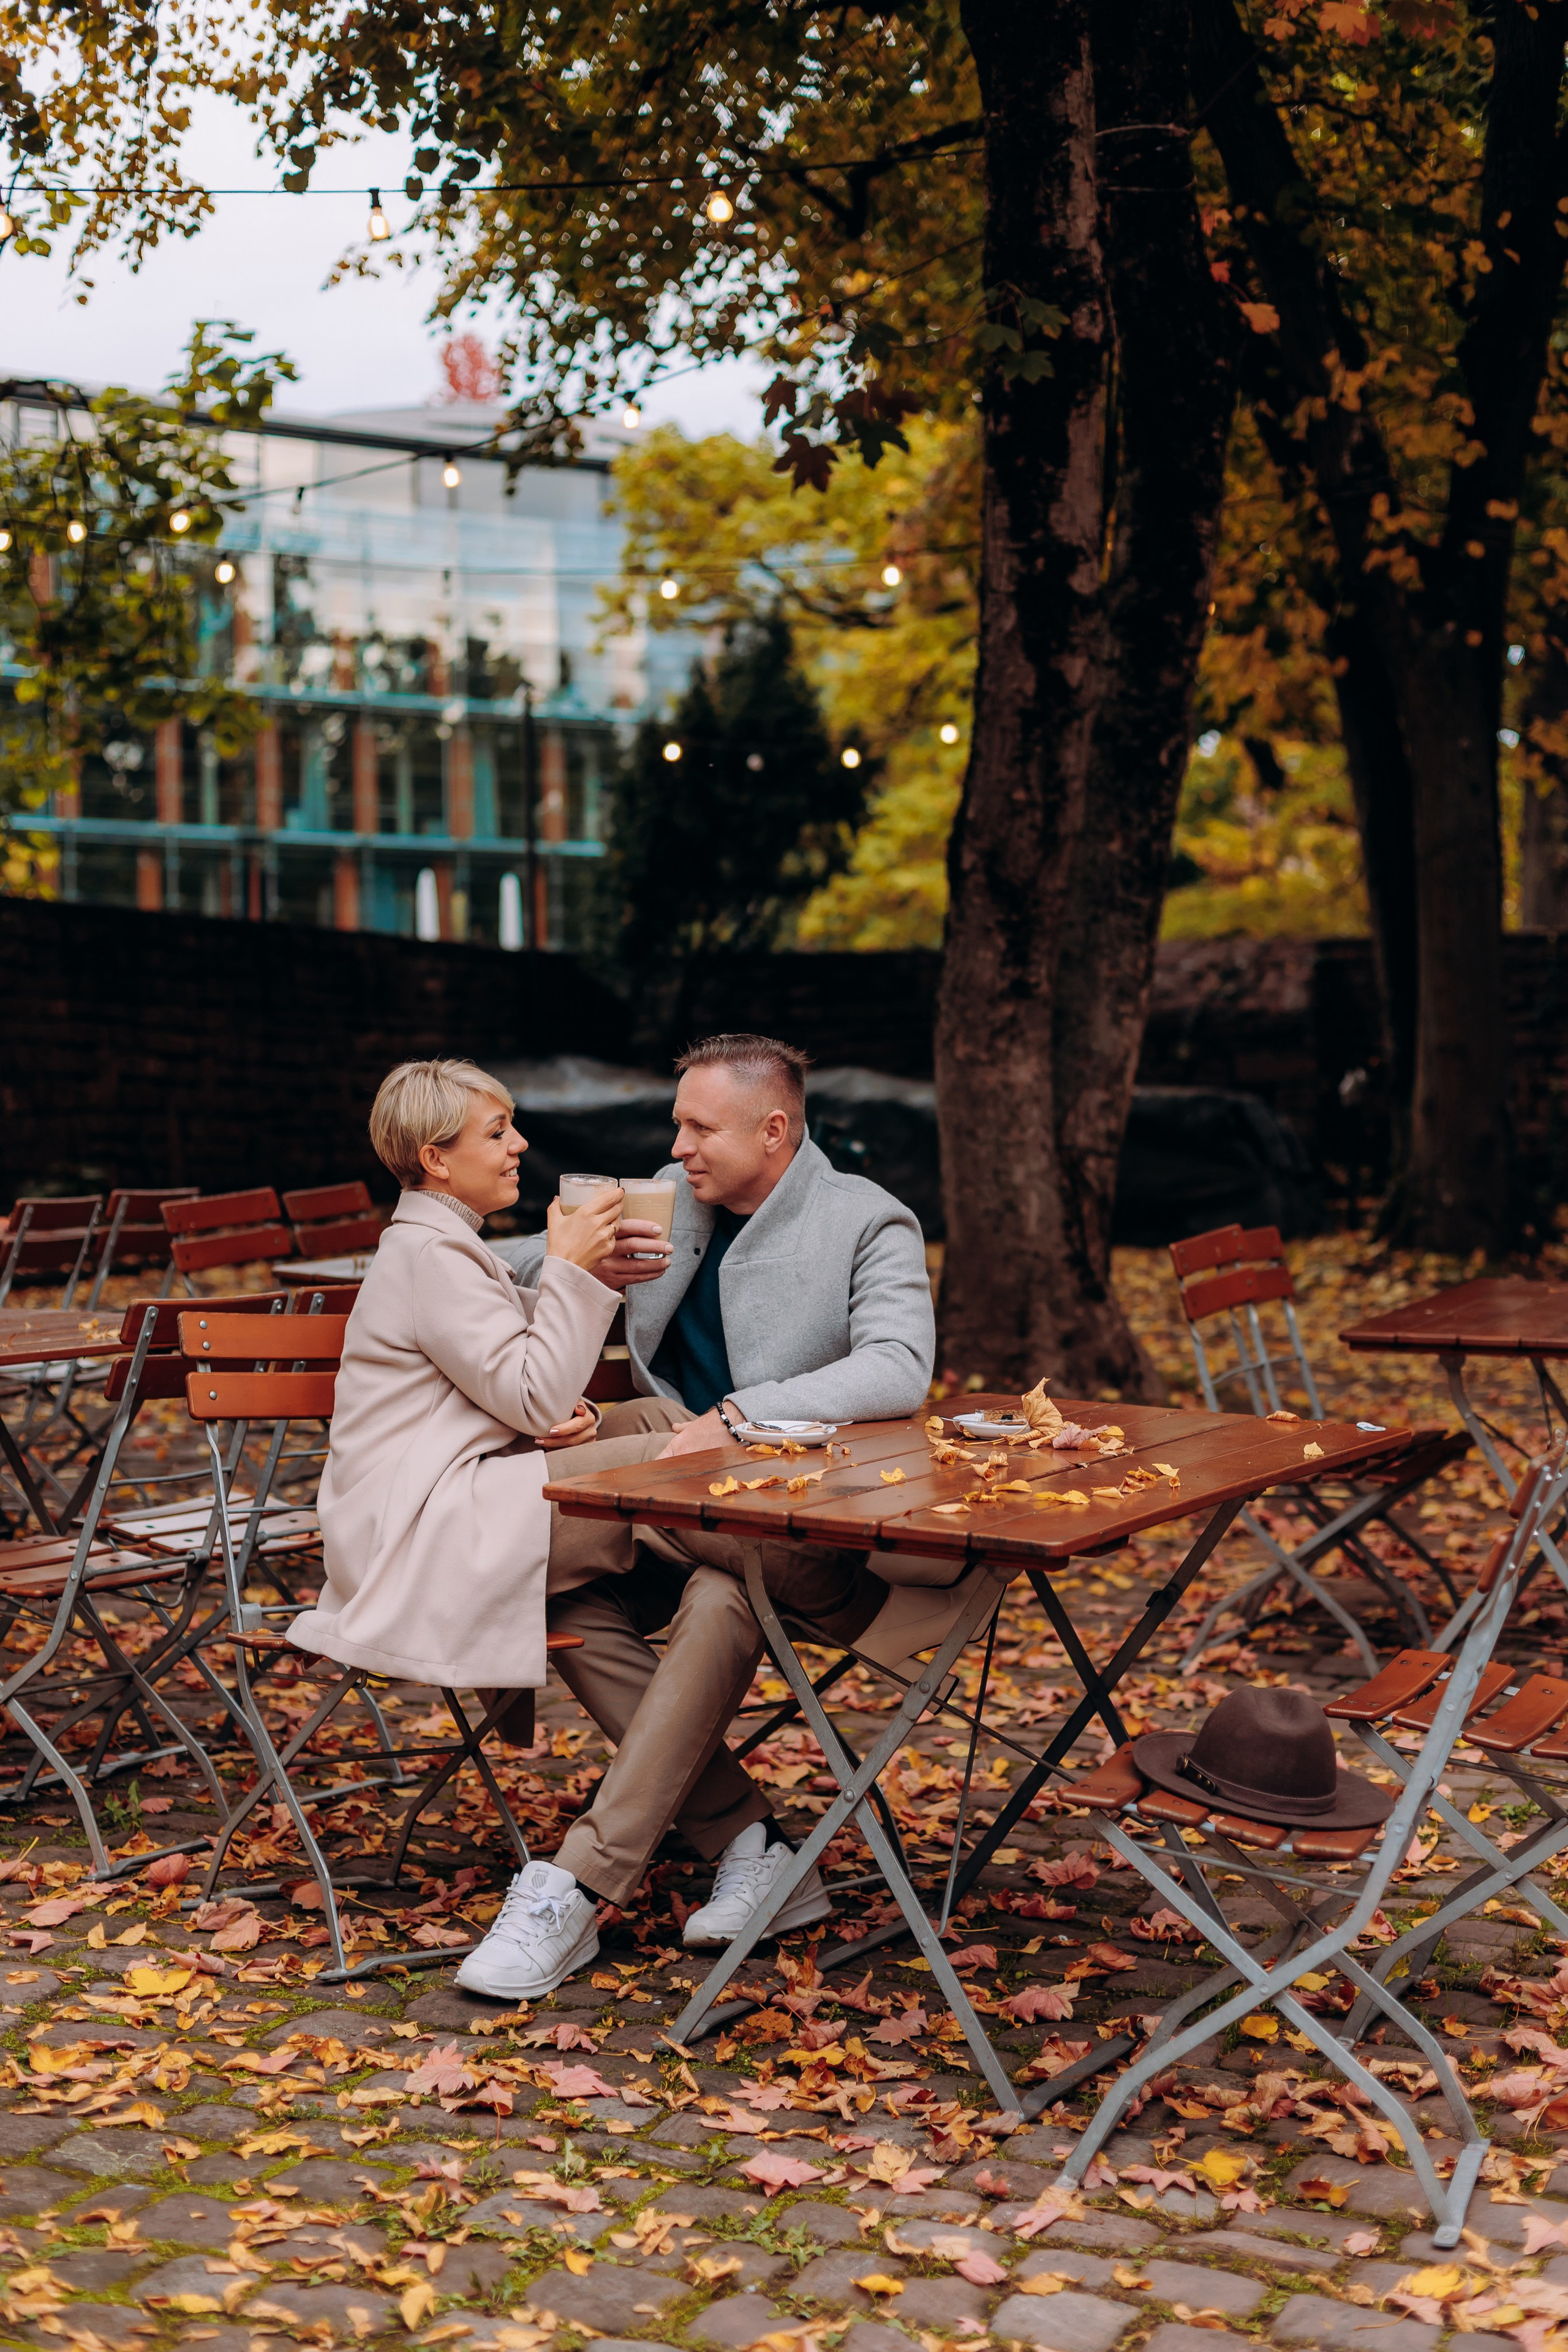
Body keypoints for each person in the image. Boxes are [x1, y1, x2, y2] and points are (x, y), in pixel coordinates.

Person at [456, 1034, 959, 2003]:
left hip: (805, 1524)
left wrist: (740, 1415)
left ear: (774, 1130)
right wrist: (425, 1257)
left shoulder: (867, 1220)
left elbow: (900, 1367)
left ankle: (580, 1884)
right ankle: (755, 1846)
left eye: (698, 1127)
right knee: (637, 1599)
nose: (676, 1145)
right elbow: (526, 1258)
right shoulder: (667, 1202)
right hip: (690, 1528)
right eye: (675, 1122)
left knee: (515, 1531)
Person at [290, 1058, 685, 1711]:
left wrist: (594, 1289)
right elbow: (533, 1398)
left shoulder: (445, 1247)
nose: (519, 1145)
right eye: (498, 1133)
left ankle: (731, 1815)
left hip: (459, 1494)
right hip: (419, 1535)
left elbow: (513, 1380)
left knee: (650, 1422)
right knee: (664, 1460)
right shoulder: (431, 1256)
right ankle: (811, 1588)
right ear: (436, 1161)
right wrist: (566, 1268)